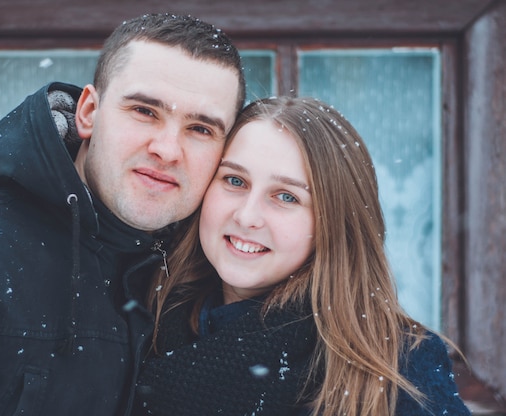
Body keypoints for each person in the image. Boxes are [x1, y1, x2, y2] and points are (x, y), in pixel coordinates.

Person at [0, 13, 245, 416]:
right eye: (145, 111)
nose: (168, 149)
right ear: (88, 111)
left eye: (201, 129)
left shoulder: (203, 283)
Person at [134, 96, 471, 416]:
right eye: (235, 180)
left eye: (286, 197)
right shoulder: (146, 321)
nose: (247, 216)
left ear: (333, 223)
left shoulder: (401, 367)